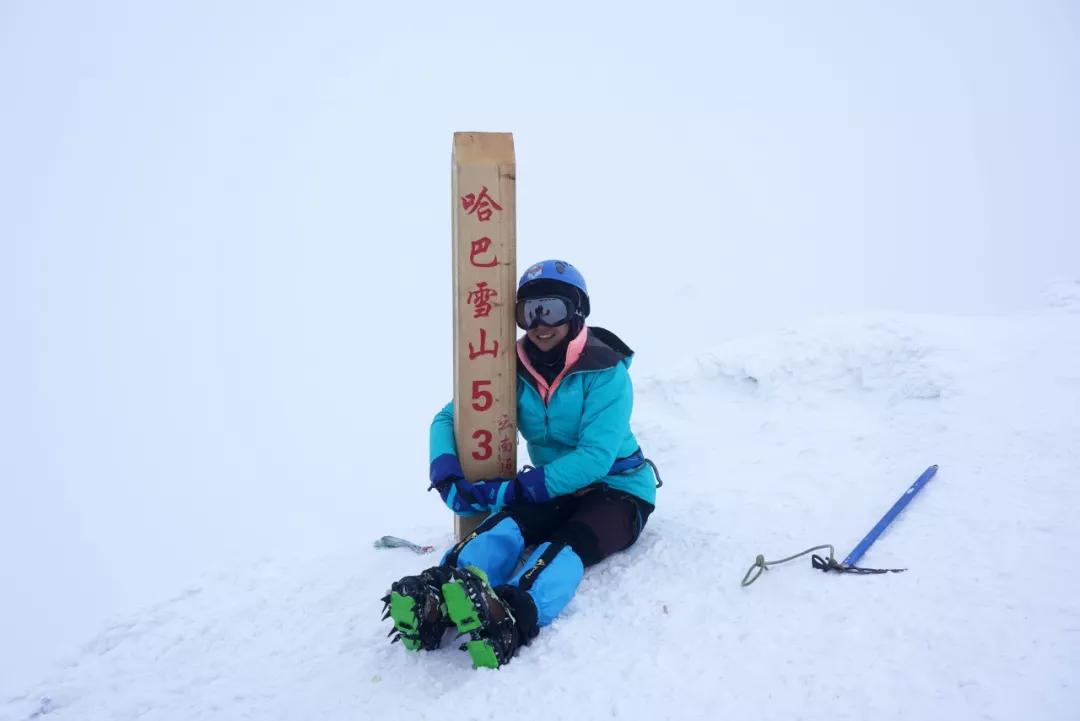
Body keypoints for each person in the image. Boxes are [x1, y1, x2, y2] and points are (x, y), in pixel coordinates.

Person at [382, 259, 658, 669]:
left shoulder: (605, 371)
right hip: (555, 486)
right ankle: (438, 594)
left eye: (552, 309)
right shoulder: (507, 367)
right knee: (508, 524)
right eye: (528, 312)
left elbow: (595, 458)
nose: (540, 324)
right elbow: (448, 418)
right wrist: (446, 474)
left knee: (568, 542)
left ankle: (510, 614)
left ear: (577, 311)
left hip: (619, 489)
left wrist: (517, 489)